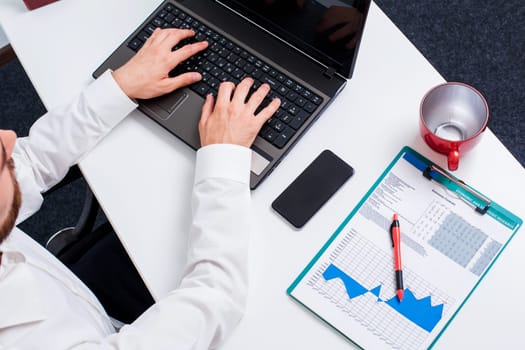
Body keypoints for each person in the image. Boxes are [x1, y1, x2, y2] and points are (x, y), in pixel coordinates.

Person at [0, 27, 280, 349]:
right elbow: (216, 296)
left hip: (77, 299)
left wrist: (121, 86)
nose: (10, 138)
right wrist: (224, 157)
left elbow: (31, 160)